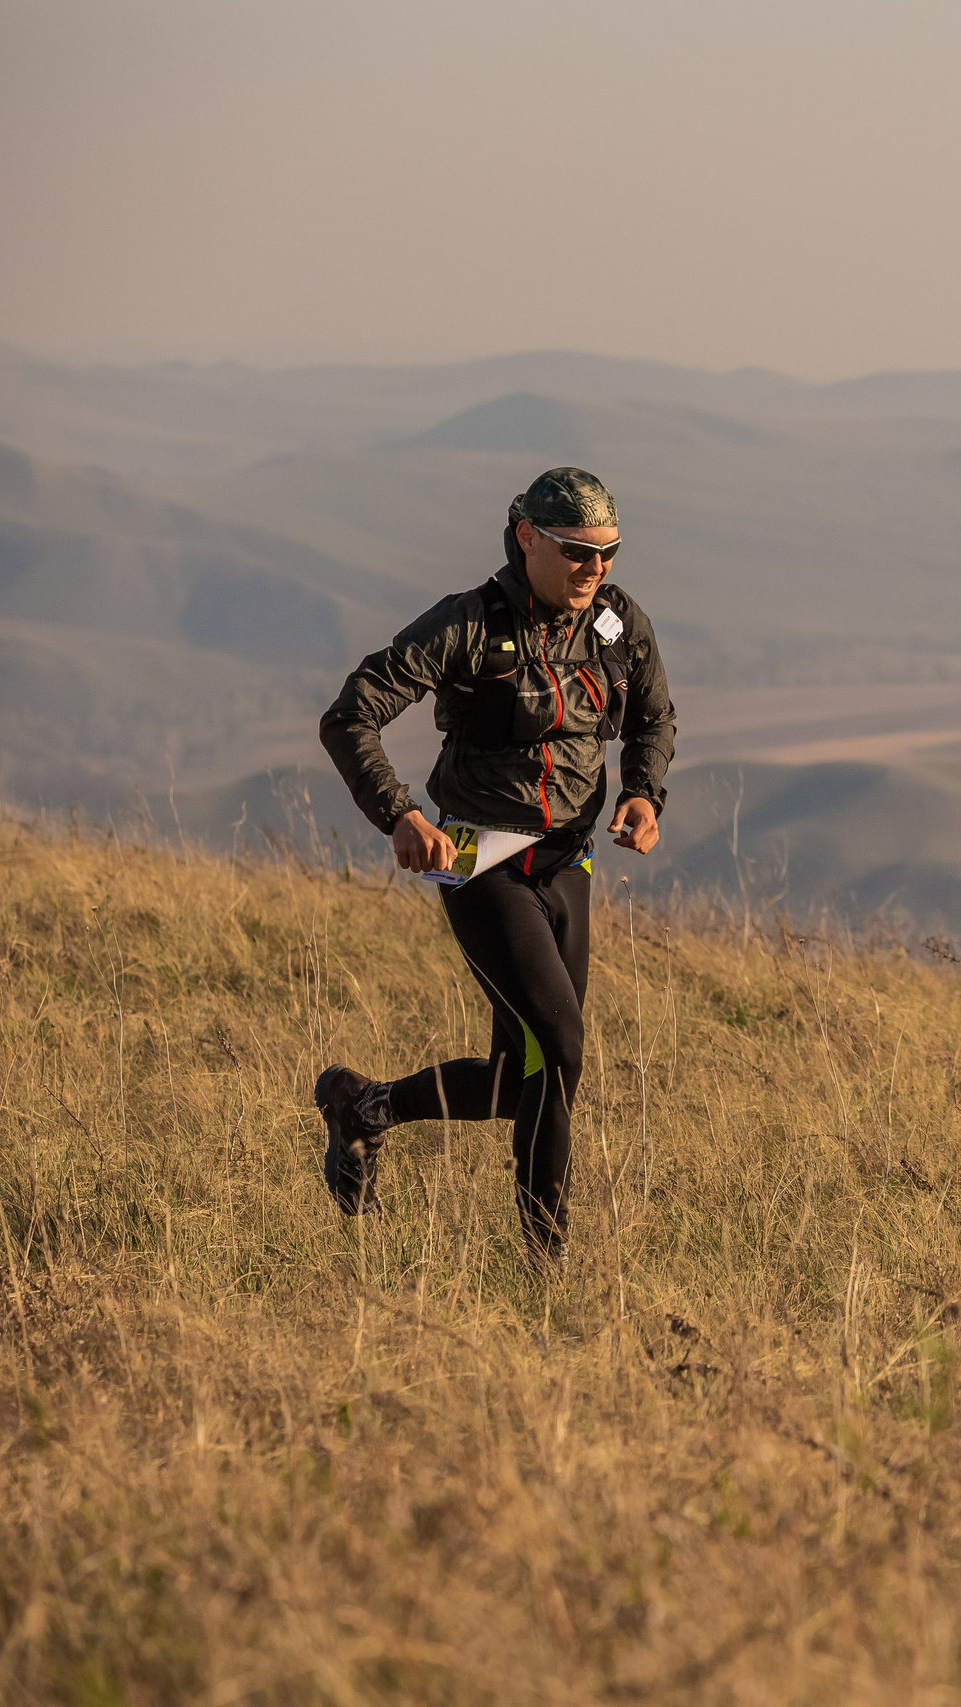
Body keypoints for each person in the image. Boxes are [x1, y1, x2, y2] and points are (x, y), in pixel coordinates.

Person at [313, 467, 675, 1264]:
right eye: (578, 552)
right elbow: (350, 715)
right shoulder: (469, 623)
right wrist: (401, 813)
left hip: (567, 867)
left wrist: (645, 794)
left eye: (609, 554)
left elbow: (654, 715)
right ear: (527, 538)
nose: (596, 570)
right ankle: (546, 1263)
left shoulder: (617, 623)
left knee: (526, 1080)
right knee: (563, 1042)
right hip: (481, 865)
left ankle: (363, 1108)